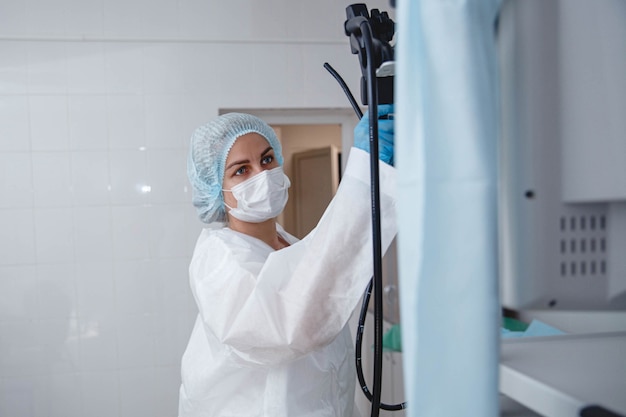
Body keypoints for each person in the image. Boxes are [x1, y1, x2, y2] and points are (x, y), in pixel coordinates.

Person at [179, 107, 397, 417]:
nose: (263, 175)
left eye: (267, 159)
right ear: (216, 189)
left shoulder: (292, 246)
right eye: (242, 170)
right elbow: (286, 325)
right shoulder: (219, 259)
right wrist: (362, 176)